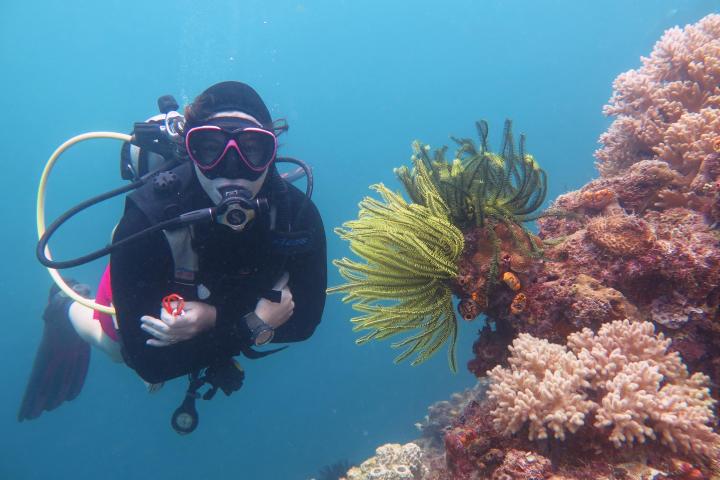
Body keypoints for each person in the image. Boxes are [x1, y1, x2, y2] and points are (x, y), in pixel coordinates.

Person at [19, 81, 327, 427]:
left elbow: (306, 323)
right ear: (190, 153)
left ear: (270, 155)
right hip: (163, 293)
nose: (231, 169)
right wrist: (252, 325)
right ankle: (64, 306)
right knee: (114, 345)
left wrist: (213, 319)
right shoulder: (148, 218)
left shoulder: (295, 215)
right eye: (210, 149)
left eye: (252, 150)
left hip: (208, 307)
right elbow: (147, 362)